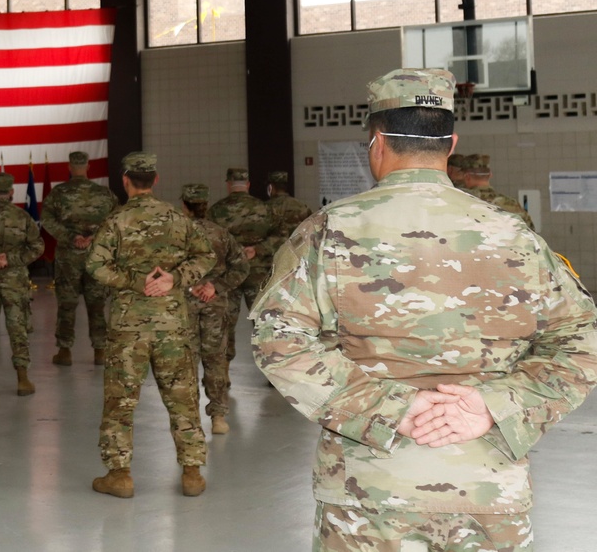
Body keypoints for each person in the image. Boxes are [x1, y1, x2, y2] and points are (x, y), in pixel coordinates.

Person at [251, 68, 597, 550]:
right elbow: (582, 342)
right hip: (488, 486)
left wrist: (393, 408)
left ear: (375, 142)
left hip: (368, 492)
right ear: (451, 143)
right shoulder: (515, 234)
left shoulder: (328, 231)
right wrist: (491, 407)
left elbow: (278, 339)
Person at [86, 152, 215, 499]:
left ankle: (120, 475)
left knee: (120, 401)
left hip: (129, 327)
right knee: (182, 398)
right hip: (172, 324)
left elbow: (95, 266)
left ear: (125, 180)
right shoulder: (177, 218)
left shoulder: (116, 220)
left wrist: (132, 280)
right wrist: (175, 279)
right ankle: (191, 473)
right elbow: (206, 255)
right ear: (155, 180)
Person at [179, 183, 248, 434]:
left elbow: (164, 272)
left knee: (186, 361)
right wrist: (215, 287)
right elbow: (241, 268)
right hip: (215, 304)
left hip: (184, 305)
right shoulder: (221, 234)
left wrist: (189, 287)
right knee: (215, 359)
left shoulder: (177, 234)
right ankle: (218, 418)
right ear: (206, 205)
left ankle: (189, 419)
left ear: (184, 206)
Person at [41, 151, 118, 367]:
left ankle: (65, 351)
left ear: (69, 167)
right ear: (88, 166)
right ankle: (100, 351)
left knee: (67, 304)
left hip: (68, 257)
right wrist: (94, 238)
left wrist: (70, 236)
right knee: (97, 303)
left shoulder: (58, 193)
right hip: (96, 256)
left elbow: (46, 219)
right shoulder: (104, 194)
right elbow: (116, 221)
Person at [0, 172, 44, 395]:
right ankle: (23, 380)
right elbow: (37, 247)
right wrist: (11, 259)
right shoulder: (23, 217)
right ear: (11, 192)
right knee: (18, 329)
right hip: (15, 282)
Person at [207, 167, 274, 365]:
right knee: (263, 321)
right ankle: (270, 366)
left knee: (225, 321)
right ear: (248, 184)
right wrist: (258, 249)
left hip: (229, 275)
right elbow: (282, 237)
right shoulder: (264, 209)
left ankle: (222, 371)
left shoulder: (216, 210)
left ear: (228, 185)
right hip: (258, 274)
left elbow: (210, 241)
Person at [462, 153, 536, 230]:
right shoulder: (512, 204)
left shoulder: (463, 202)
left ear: (466, 176)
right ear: (490, 175)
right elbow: (530, 232)